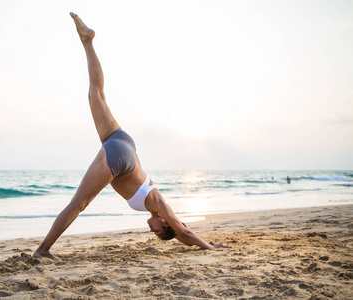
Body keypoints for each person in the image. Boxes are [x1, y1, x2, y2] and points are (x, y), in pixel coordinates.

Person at [34, 13, 230, 260]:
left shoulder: (157, 206)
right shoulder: (161, 207)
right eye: (158, 233)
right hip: (121, 157)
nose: (153, 231)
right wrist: (211, 248)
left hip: (124, 143)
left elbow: (181, 235)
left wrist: (197, 243)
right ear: (165, 224)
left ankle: (87, 41)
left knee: (96, 94)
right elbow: (184, 232)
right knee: (79, 203)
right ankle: (42, 250)